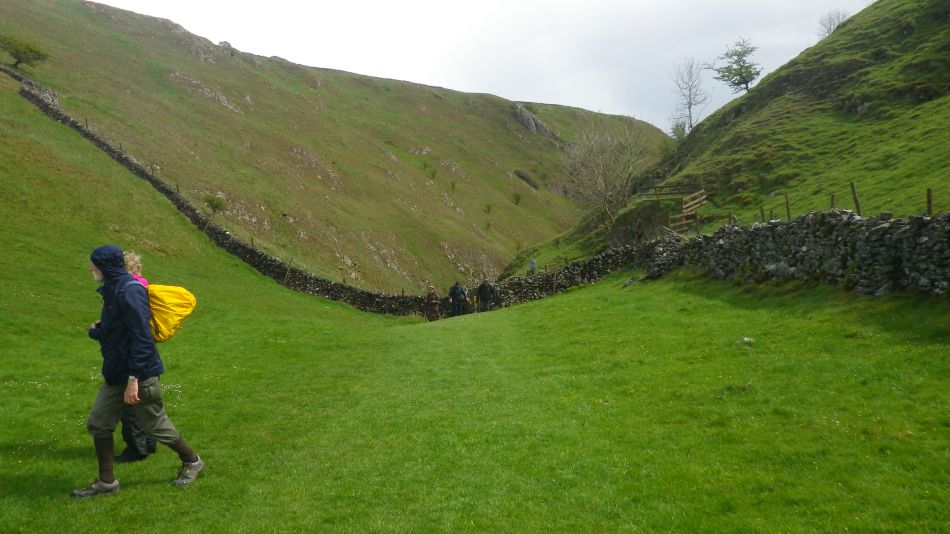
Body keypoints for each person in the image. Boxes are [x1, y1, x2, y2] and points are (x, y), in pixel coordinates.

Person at [71, 245, 204, 498]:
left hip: (138, 373)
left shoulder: (130, 291)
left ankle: (192, 461)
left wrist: (134, 379)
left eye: (94, 265)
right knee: (99, 423)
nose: (91, 269)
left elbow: (141, 338)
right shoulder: (113, 289)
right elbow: (117, 330)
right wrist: (97, 332)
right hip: (116, 372)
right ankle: (107, 482)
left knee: (155, 426)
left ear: (106, 266)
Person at [113, 251, 157, 463]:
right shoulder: (143, 286)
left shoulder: (128, 289)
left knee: (130, 405)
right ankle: (149, 442)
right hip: (145, 352)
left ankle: (136, 449)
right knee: (145, 404)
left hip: (131, 352)